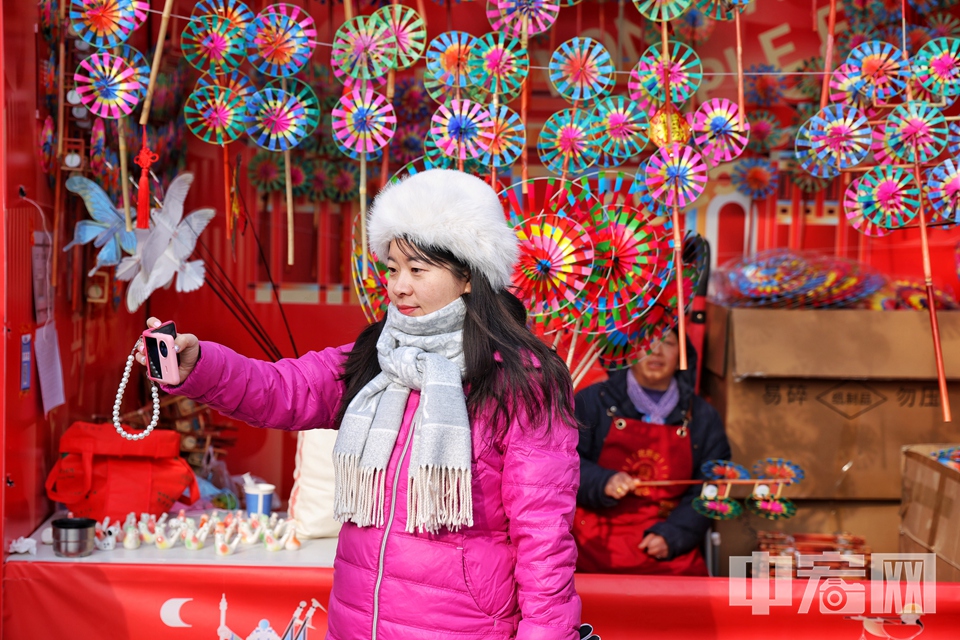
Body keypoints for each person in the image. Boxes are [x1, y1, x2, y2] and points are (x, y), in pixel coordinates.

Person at [138, 169, 582, 640]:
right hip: (357, 620)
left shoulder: (521, 380)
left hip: (458, 626)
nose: (398, 286)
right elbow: (281, 389)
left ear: (468, 275)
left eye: (418, 269)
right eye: (392, 268)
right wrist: (198, 366)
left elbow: (543, 537)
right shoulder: (375, 357)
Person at [573, 330, 731, 575]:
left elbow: (711, 487)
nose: (656, 351)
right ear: (626, 354)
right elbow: (562, 466)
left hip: (668, 544)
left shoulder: (703, 416)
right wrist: (603, 481)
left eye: (667, 343)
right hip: (596, 543)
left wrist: (676, 535)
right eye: (647, 342)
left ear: (682, 355)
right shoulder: (591, 401)